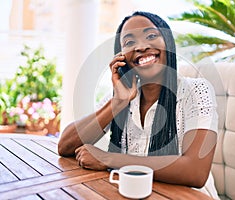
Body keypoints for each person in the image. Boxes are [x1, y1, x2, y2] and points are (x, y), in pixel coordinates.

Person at [58, 11, 219, 199]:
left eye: (151, 36)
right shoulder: (125, 96)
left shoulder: (196, 90)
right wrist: (117, 103)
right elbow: (65, 146)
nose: (141, 46)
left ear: (168, 43)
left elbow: (195, 171)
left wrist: (109, 159)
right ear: (122, 58)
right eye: (129, 42)